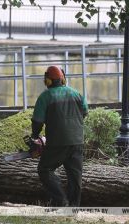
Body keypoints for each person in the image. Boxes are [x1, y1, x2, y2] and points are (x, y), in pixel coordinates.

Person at [31, 65, 88, 207]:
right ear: (63, 79)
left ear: (48, 81)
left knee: (44, 170)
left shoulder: (45, 96)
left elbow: (37, 121)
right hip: (77, 141)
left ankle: (60, 200)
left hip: (57, 143)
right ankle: (73, 208)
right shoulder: (76, 94)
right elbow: (85, 113)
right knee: (75, 177)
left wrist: (35, 135)